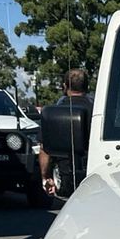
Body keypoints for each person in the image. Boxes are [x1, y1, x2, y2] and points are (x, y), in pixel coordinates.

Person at [39, 69, 94, 198]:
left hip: (67, 180)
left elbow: (44, 149)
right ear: (87, 86)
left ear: (65, 86)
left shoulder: (52, 114)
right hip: (97, 176)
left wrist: (46, 177)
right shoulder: (99, 112)